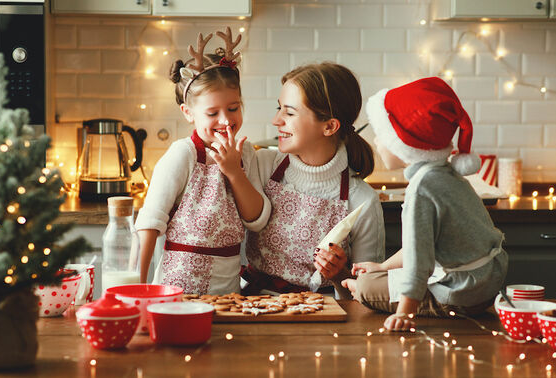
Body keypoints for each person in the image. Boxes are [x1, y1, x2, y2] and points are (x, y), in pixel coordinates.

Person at [342, 77, 508, 330]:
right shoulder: (447, 174)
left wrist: (404, 314)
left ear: (404, 144)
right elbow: (420, 246)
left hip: (460, 293)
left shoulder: (422, 190)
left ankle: (363, 291)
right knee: (377, 275)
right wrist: (382, 267)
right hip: (484, 283)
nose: (376, 142)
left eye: (381, 135)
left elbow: (420, 261)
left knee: (366, 286)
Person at [135, 28, 271, 295]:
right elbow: (151, 221)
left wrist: (234, 172)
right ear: (188, 113)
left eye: (233, 108)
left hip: (228, 289)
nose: (225, 120)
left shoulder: (246, 155)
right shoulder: (182, 154)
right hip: (179, 286)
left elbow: (256, 219)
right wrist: (138, 286)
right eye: (212, 112)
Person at [243, 62, 385, 297]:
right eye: (279, 109)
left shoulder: (362, 200)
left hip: (322, 317)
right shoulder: (263, 165)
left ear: (329, 126)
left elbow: (367, 296)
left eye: (289, 113)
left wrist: (340, 275)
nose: (276, 120)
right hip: (253, 305)